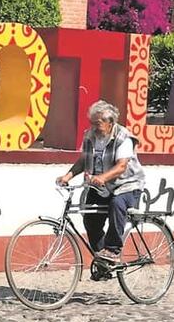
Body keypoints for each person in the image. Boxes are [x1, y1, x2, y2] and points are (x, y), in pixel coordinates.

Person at [56, 100, 146, 263]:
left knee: (116, 204)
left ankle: (113, 250)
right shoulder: (90, 136)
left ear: (110, 122)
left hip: (126, 185)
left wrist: (102, 177)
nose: (94, 128)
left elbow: (121, 167)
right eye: (92, 123)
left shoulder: (123, 137)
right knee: (90, 220)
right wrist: (67, 176)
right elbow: (84, 160)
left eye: (97, 124)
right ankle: (104, 262)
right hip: (100, 187)